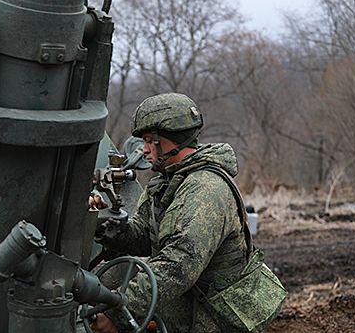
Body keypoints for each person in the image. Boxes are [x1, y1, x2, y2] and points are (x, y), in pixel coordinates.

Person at [91, 93, 253, 333]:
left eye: (148, 140)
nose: (144, 150)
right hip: (182, 318)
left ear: (169, 140)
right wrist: (102, 222)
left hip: (210, 322)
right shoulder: (166, 183)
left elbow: (178, 266)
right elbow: (144, 238)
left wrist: (119, 312)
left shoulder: (206, 189)